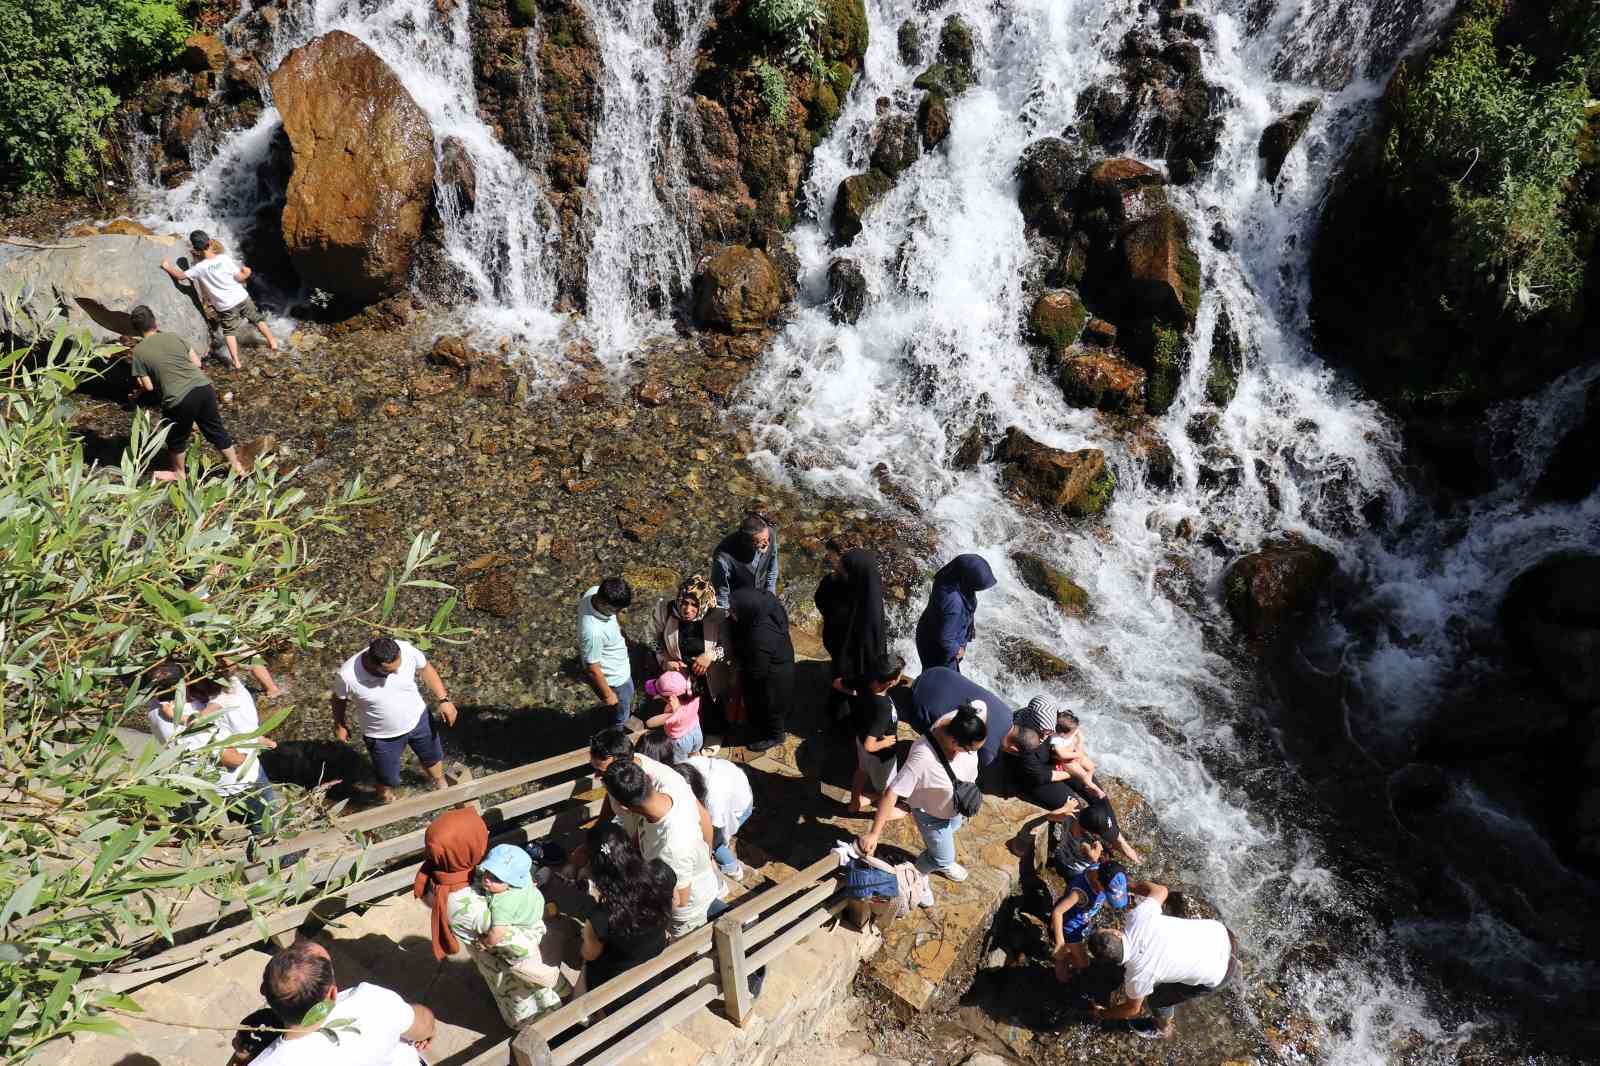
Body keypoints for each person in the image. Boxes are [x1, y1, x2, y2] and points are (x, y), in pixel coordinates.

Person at [413, 809, 566, 1028]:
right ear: (465, 848)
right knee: (532, 1005)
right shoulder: (471, 908)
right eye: (479, 835)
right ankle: (546, 1029)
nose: (485, 834)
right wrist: (535, 927)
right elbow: (520, 948)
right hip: (512, 970)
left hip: (487, 959)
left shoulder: (448, 870)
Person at [1086, 880, 1240, 1040]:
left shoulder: (1136, 977)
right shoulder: (1137, 918)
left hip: (1222, 972)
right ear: (1116, 934)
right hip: (1224, 935)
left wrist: (1101, 1013)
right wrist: (1125, 886)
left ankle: (1162, 1028)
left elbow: (1132, 1009)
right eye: (1104, 928)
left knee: (1157, 999)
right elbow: (1161, 890)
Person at [857, 702, 988, 882]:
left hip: (955, 806)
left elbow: (981, 705)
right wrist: (874, 834)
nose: (973, 753)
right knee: (942, 856)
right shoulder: (923, 757)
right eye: (970, 750)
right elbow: (891, 793)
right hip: (932, 817)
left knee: (953, 829)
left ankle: (941, 858)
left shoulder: (963, 720)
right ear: (954, 742)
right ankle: (918, 878)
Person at [252, 939, 435, 1065]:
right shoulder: (372, 1001)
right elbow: (423, 1025)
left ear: (264, 991)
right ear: (332, 994)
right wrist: (429, 1030)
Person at [145, 667, 279, 837]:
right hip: (239, 783)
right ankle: (270, 848)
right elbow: (234, 759)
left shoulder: (156, 706)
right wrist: (246, 748)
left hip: (211, 777)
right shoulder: (187, 729)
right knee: (265, 823)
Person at [1010, 695, 1140, 863]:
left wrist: (1078, 755)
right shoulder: (1024, 742)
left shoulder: (1049, 717)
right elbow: (1041, 775)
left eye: (1052, 730)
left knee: (1096, 792)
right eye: (1046, 732)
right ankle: (1078, 843)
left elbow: (1073, 730)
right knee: (1074, 805)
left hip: (1055, 764)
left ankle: (1117, 838)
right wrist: (1073, 772)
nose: (1051, 734)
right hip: (1037, 779)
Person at [331, 636, 458, 805]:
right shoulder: (347, 675)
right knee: (388, 775)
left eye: (398, 667)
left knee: (432, 757)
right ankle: (384, 795)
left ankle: (439, 782)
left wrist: (443, 699)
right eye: (390, 671)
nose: (397, 672)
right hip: (381, 735)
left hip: (418, 719)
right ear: (373, 663)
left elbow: (426, 669)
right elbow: (339, 699)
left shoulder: (405, 649)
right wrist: (340, 724)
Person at [126, 304, 247, 480]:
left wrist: (138, 389)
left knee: (176, 439)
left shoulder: (138, 352)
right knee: (215, 429)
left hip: (178, 398)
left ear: (136, 329)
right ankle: (236, 466)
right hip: (204, 388)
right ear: (154, 322)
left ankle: (179, 473)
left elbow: (149, 386)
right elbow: (197, 363)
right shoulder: (173, 337)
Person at [602, 759, 721, 936]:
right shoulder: (673, 787)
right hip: (698, 874)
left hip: (689, 906)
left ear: (624, 807)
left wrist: (636, 902)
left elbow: (679, 900)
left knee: (689, 939)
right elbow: (705, 818)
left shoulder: (671, 848)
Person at [161, 230, 279, 369]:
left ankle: (236, 361)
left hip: (225, 305)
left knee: (229, 332)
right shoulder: (224, 259)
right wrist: (246, 274)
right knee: (257, 319)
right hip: (241, 297)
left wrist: (167, 267)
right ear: (210, 242)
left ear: (195, 250)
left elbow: (181, 277)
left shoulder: (199, 268)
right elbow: (238, 278)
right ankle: (272, 342)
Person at [580, 822, 674, 989]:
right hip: (655, 952)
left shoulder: (600, 917)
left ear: (594, 865)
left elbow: (589, 954)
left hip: (618, 978)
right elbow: (678, 901)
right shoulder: (661, 873)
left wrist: (584, 935)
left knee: (587, 971)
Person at [903, 666, 1015, 775]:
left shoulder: (1008, 712)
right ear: (1014, 749)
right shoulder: (988, 754)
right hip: (917, 702)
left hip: (937, 672)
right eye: (969, 750)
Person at [726, 589, 796, 752]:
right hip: (773, 660)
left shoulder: (761, 635)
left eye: (734, 610)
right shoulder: (763, 608)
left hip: (774, 674)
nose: (730, 611)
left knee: (772, 705)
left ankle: (776, 735)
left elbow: (757, 670)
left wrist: (739, 672)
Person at [653, 575, 730, 706]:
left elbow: (730, 644)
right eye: (684, 603)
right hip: (680, 675)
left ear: (705, 603)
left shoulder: (718, 618)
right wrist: (666, 660)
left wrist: (710, 655)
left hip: (711, 677)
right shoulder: (665, 611)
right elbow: (653, 640)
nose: (688, 610)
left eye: (695, 605)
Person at [825, 548, 888, 706]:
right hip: (854, 663)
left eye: (843, 567)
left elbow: (822, 602)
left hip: (850, 663)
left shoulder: (840, 585)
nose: (839, 569)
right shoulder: (870, 595)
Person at [914, 554, 996, 673]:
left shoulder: (948, 578)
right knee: (940, 682)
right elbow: (945, 638)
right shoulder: (954, 603)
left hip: (927, 633)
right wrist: (958, 650)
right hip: (938, 651)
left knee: (931, 676)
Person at [1050, 861, 1128, 978]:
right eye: (1107, 893)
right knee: (1082, 962)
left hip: (1082, 923)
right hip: (1070, 929)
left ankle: (1065, 957)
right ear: (1098, 882)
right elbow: (1057, 912)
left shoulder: (1099, 869)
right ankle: (1062, 977)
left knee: (1078, 958)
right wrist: (1060, 942)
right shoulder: (1080, 892)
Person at [850, 654, 905, 816]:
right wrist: (886, 742)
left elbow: (841, 684)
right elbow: (870, 745)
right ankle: (882, 805)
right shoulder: (883, 708)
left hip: (860, 740)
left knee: (861, 771)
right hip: (881, 757)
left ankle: (854, 802)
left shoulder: (865, 683)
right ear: (891, 682)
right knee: (887, 790)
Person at [579, 577, 634, 729]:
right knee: (620, 714)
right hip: (615, 679)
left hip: (613, 664)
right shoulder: (593, 632)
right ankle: (616, 734)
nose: (618, 613)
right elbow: (593, 668)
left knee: (622, 704)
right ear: (603, 603)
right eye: (616, 610)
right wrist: (608, 695)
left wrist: (621, 633)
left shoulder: (593, 592)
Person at [711, 513, 780, 609]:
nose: (767, 543)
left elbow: (772, 569)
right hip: (739, 603)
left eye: (767, 538)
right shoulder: (723, 559)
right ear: (747, 543)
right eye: (762, 541)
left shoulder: (769, 534)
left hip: (762, 593)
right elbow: (722, 596)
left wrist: (770, 596)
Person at [643, 670, 703, 761]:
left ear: (671, 699)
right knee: (695, 754)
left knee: (683, 763)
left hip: (681, 742)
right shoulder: (694, 698)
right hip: (696, 731)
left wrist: (671, 712)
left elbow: (650, 723)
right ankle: (700, 761)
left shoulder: (675, 715)